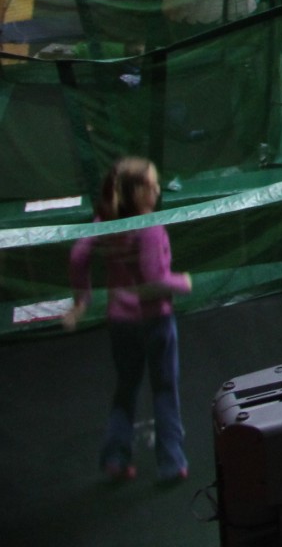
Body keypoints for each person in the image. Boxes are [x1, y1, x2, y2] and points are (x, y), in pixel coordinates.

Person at [65, 157, 193, 483]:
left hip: (121, 322)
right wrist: (183, 282)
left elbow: (78, 255)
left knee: (126, 387)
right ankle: (171, 462)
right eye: (151, 185)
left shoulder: (105, 220)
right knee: (164, 388)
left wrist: (82, 301)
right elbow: (153, 279)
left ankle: (115, 458)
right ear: (136, 192)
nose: (158, 189)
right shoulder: (149, 227)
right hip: (155, 321)